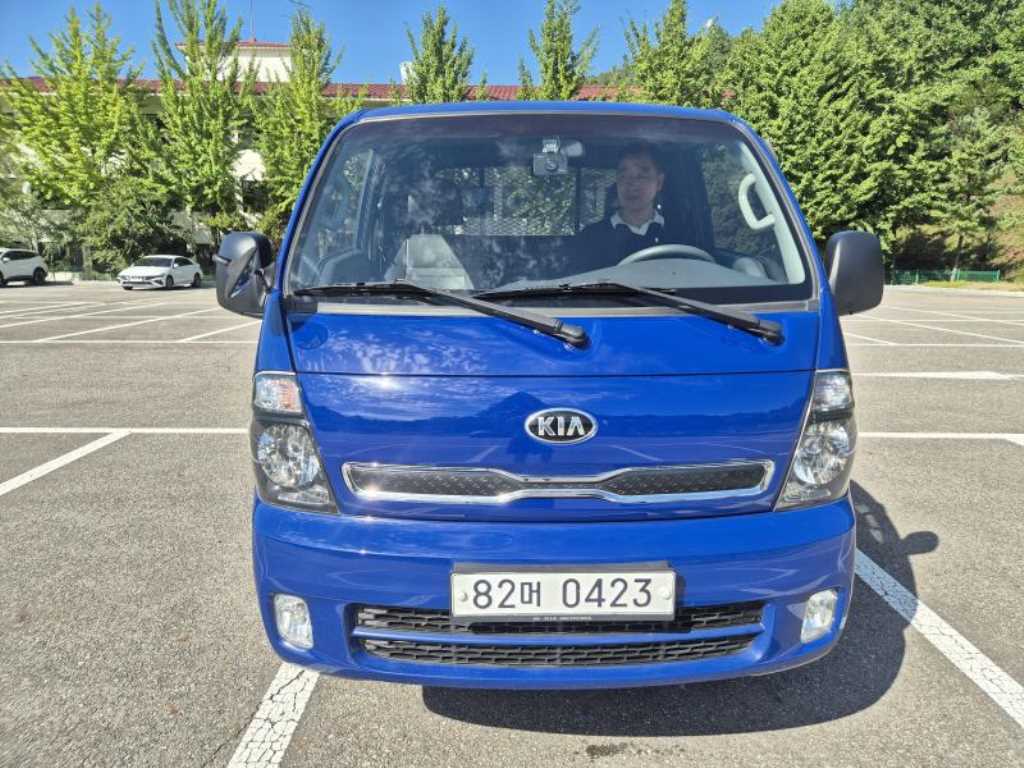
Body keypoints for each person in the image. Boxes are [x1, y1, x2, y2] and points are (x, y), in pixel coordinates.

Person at [566, 142, 685, 275]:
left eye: (641, 176)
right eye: (623, 176)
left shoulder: (681, 236)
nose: (632, 184)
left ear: (659, 182)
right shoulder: (590, 238)